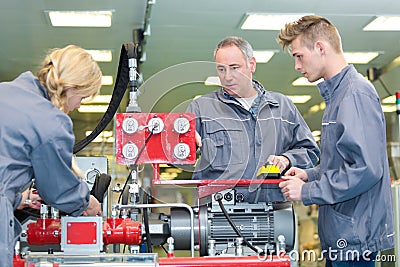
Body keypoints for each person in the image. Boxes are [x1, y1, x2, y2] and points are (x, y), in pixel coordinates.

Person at [277, 15, 394, 265]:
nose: (297, 65)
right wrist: (310, 174)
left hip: (354, 238)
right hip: (342, 233)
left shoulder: (355, 94)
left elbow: (365, 169)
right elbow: (342, 163)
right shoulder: (337, 97)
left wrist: (307, 191)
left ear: (320, 47)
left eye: (299, 56)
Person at [0, 45, 103, 266]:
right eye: (83, 98)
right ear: (72, 88)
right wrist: (86, 202)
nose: (77, 106)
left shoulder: (5, 91)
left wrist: (17, 198)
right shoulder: (50, 120)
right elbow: (58, 189)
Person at [187, 36, 320, 202]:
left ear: (252, 65)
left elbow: (310, 151)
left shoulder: (282, 108)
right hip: (218, 216)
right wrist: (185, 146)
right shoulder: (201, 108)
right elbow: (178, 159)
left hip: (273, 213)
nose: (227, 77)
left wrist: (287, 159)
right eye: (221, 69)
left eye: (234, 68)